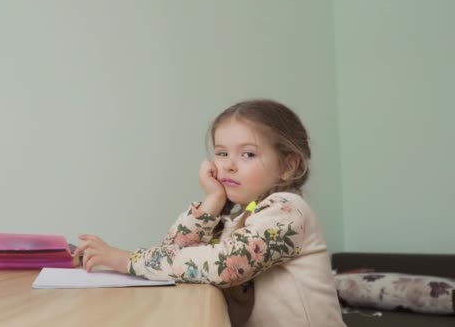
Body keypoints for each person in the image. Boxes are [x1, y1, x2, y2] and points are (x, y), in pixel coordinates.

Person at [74, 99, 346, 327]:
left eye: (248, 154)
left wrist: (126, 260)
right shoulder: (240, 219)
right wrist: (213, 201)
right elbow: (174, 251)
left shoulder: (287, 211)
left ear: (288, 165)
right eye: (221, 153)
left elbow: (225, 265)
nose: (228, 165)